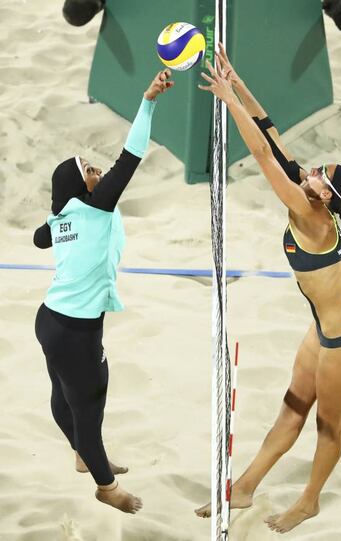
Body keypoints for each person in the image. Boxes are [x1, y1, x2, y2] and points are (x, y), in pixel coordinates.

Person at [195, 45, 341, 533]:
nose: (314, 169)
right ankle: (244, 488)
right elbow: (272, 135)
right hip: (323, 327)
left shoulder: (310, 214)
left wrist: (225, 103)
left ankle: (309, 502)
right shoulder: (313, 197)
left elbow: (259, 154)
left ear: (325, 195)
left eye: (322, 175)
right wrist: (238, 84)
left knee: (326, 425)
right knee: (292, 407)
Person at [34, 69, 174, 514]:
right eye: (90, 170)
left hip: (52, 321)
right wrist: (148, 101)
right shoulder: (94, 209)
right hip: (73, 330)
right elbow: (130, 158)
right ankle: (106, 485)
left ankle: (81, 454)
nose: (98, 170)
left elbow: (41, 238)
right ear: (81, 187)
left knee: (68, 393)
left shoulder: (62, 219)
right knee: (89, 403)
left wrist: (59, 219)